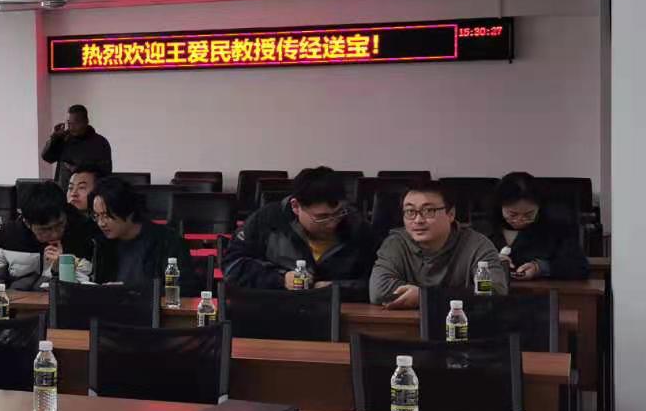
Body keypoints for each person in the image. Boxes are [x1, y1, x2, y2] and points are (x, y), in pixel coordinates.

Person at [224, 166, 379, 297]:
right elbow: (232, 267)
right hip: (274, 306)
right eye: (322, 217)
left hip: (338, 311)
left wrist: (336, 288)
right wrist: (280, 279)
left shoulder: (358, 227)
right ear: (296, 206)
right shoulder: (267, 221)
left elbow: (375, 282)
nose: (332, 223)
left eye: (339, 213)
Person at [370, 180, 508, 308]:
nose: (418, 220)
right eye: (410, 212)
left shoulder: (477, 245)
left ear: (451, 214)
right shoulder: (395, 243)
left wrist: (424, 297)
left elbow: (494, 291)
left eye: (428, 211)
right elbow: (379, 291)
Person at [91, 176, 200, 290]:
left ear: (128, 211)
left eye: (106, 216)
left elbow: (185, 287)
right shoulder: (101, 244)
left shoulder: (167, 241)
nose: (101, 223)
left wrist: (131, 290)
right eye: (96, 216)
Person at [478, 172, 590, 281]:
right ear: (500, 207)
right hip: (488, 291)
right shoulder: (481, 230)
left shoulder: (556, 231)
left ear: (539, 207)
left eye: (528, 214)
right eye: (512, 214)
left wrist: (539, 268)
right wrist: (489, 263)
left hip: (540, 292)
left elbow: (579, 267)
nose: (520, 220)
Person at [0, 181, 100, 289]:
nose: (55, 234)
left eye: (60, 225)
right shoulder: (5, 236)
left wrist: (61, 268)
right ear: (27, 223)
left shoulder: (81, 233)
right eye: (45, 229)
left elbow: (83, 288)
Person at [41, 104, 112, 188]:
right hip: (63, 191)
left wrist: (79, 169)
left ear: (86, 121)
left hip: (88, 191)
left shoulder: (100, 142)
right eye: (69, 123)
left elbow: (106, 172)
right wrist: (55, 137)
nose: (72, 127)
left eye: (76, 123)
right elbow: (47, 157)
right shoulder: (65, 139)